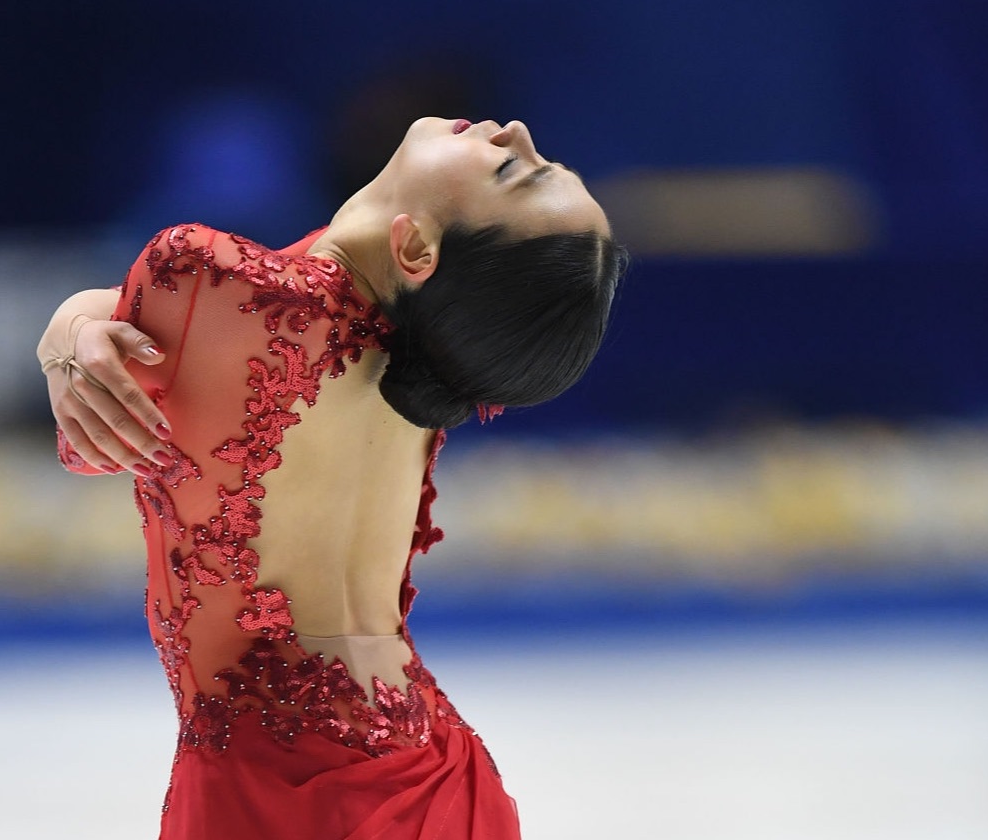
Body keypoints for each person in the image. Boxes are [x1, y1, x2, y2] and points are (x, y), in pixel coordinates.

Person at [36, 117, 623, 839]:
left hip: (275, 794)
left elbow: (91, 446)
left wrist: (71, 323)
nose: (518, 132)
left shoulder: (208, 279)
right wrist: (81, 323)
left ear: (414, 248)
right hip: (444, 776)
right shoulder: (434, 354)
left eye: (513, 172)